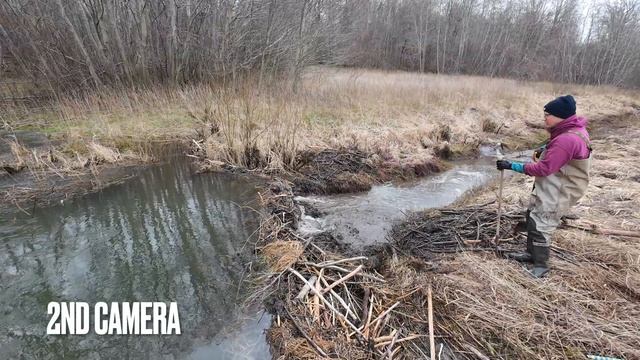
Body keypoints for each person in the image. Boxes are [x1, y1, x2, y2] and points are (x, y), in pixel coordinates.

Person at [496, 95, 592, 278]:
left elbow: (543, 168)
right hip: (555, 183)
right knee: (532, 215)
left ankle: (541, 265)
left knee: (542, 222)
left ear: (560, 116)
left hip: (561, 188)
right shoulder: (571, 130)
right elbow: (558, 151)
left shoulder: (567, 140)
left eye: (547, 114)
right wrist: (545, 149)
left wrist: (511, 166)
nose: (544, 118)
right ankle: (531, 254)